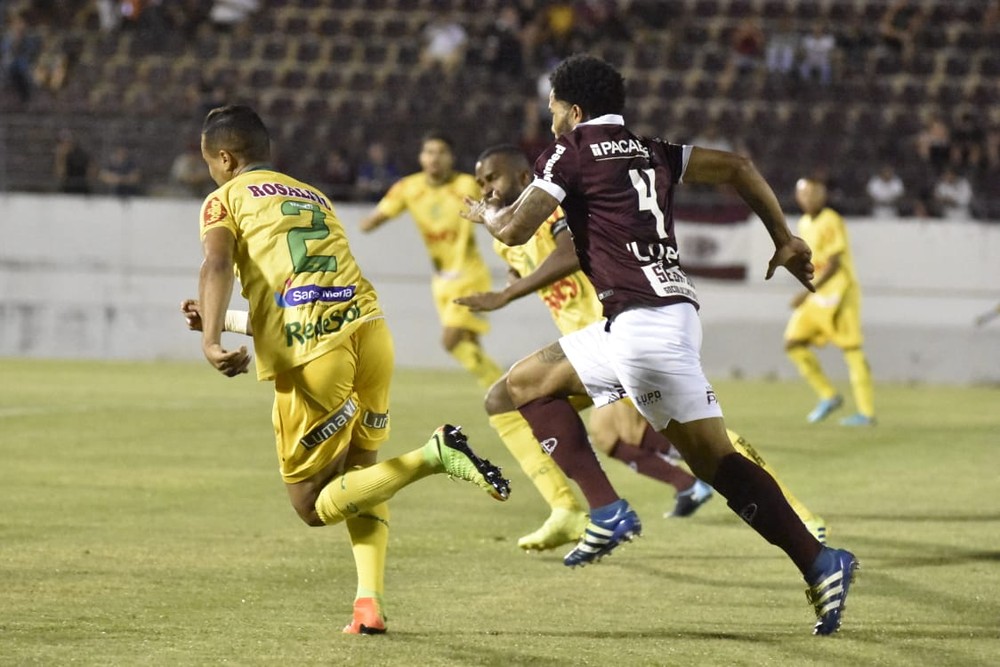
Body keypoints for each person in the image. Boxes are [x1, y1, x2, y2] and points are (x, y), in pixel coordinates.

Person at [462, 54, 856, 636]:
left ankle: (819, 561)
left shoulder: (570, 151)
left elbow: (517, 229)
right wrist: (784, 236)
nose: (551, 121)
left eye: (553, 110)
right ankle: (605, 509)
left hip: (644, 331)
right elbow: (739, 167)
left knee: (715, 462)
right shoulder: (655, 150)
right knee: (520, 386)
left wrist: (490, 212)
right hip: (653, 316)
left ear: (575, 111)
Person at [183, 104, 510, 635]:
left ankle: (434, 455)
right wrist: (224, 320)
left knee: (312, 505)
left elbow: (216, 263)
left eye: (209, 165)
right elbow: (298, 297)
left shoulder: (225, 199)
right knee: (361, 477)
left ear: (224, 158)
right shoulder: (312, 195)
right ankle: (368, 604)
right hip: (370, 331)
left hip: (317, 352)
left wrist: (211, 339)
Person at [456, 144, 828, 548]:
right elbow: (531, 266)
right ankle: (569, 510)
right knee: (561, 419)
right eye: (480, 182)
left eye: (492, 178)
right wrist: (513, 276)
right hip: (582, 349)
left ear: (523, 177)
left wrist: (507, 295)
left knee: (704, 438)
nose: (486, 188)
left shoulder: (552, 207)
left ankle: (798, 518)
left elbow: (571, 253)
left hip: (620, 332)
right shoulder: (507, 240)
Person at [359, 133, 503, 389]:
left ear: (451, 158)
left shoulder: (467, 184)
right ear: (421, 157)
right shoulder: (408, 188)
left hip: (470, 275)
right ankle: (501, 393)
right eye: (429, 152)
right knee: (470, 344)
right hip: (441, 280)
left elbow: (498, 210)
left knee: (450, 341)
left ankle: (507, 390)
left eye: (441, 152)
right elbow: (371, 222)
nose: (435, 158)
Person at [785, 178, 876, 427]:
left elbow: (834, 264)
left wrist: (806, 291)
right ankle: (828, 395)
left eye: (814, 193)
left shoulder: (831, 220)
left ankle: (866, 413)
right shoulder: (804, 223)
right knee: (793, 343)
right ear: (798, 197)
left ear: (823, 196)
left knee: (851, 349)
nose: (809, 198)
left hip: (840, 292)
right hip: (818, 295)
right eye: (805, 193)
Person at [53, 129, 92, 194]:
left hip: (81, 190)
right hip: (67, 190)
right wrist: (61, 158)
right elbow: (60, 175)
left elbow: (90, 172)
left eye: (66, 142)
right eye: (61, 143)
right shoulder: (59, 155)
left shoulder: (80, 155)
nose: (63, 145)